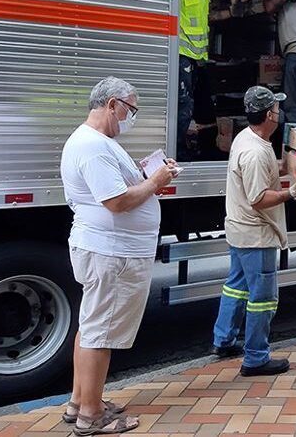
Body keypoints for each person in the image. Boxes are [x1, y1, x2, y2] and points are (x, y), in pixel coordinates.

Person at [60, 77, 178, 435]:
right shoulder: (93, 146)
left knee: (92, 328)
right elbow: (117, 202)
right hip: (111, 253)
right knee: (102, 334)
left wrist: (143, 173)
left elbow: (118, 189)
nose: (131, 118)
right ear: (112, 104)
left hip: (108, 251)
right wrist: (155, 182)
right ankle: (91, 416)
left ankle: (81, 401)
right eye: (130, 109)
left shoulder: (96, 142)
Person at [211, 86, 296, 376]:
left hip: (240, 231)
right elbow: (259, 199)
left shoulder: (249, 139)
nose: (279, 112)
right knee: (262, 298)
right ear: (270, 114)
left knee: (236, 285)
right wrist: (293, 192)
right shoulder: (256, 152)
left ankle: (224, 340)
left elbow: (275, 169)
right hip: (256, 235)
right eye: (277, 108)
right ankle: (256, 357)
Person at [177, 0, 232, 160]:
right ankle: (177, 152)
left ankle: (197, 150)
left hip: (197, 57)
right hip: (182, 53)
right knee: (183, 107)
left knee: (199, 108)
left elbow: (205, 17)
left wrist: (232, 11)